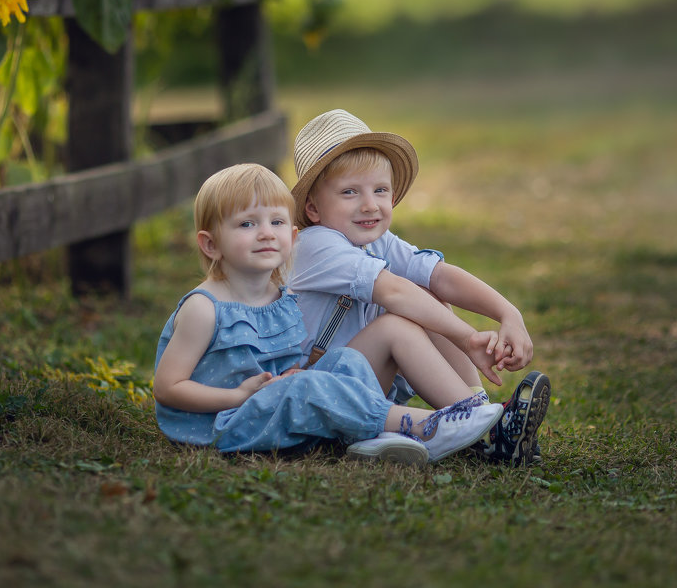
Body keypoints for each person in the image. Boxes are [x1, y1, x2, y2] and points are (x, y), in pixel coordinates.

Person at [152, 163, 504, 465]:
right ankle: (429, 426)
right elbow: (167, 388)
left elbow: (280, 370)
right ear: (211, 244)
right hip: (223, 424)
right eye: (246, 224)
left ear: (291, 236)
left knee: (346, 363)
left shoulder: (280, 298)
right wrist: (237, 397)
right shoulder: (204, 308)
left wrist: (285, 377)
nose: (265, 234)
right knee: (310, 384)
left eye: (276, 222)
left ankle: (388, 429)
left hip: (269, 409)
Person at [288, 109, 551, 466]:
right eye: (349, 192)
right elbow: (393, 292)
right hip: (314, 395)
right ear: (313, 208)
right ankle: (488, 426)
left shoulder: (373, 241)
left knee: (428, 295)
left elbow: (438, 275)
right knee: (397, 322)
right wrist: (467, 337)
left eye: (380, 190)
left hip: (356, 384)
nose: (369, 204)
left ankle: (478, 409)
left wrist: (509, 312)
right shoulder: (314, 244)